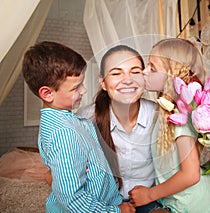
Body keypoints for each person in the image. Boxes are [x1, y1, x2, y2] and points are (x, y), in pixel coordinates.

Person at [22, 41, 135, 213]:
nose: (83, 90)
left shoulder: (64, 121)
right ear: (47, 93)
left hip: (106, 199)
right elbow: (73, 199)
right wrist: (117, 211)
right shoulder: (64, 132)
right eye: (76, 87)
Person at [128, 38, 210, 212]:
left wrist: (149, 195)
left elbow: (191, 175)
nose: (144, 72)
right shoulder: (167, 112)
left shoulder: (180, 116)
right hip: (179, 202)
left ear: (172, 74)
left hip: (193, 204)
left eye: (152, 68)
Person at [77, 45, 163, 213]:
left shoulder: (160, 114)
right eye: (116, 73)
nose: (127, 80)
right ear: (103, 82)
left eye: (135, 71)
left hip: (150, 199)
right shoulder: (86, 119)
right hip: (103, 202)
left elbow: (186, 153)